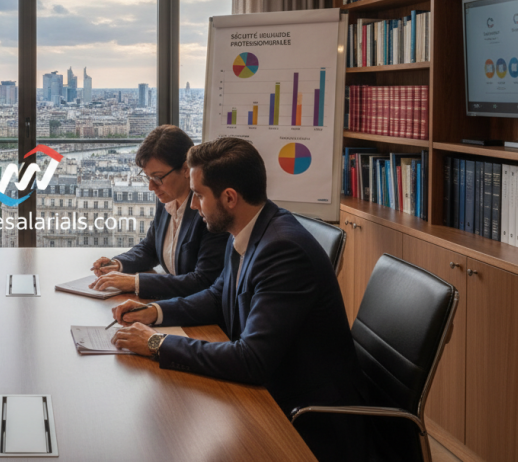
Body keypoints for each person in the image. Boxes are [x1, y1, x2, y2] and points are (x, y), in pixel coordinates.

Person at [110, 137, 366, 462]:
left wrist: (158, 344)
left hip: (307, 418)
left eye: (199, 196)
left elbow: (252, 360)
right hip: (269, 393)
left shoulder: (283, 250)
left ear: (229, 197)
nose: (192, 205)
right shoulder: (248, 231)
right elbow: (218, 297)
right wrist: (153, 312)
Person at [87, 125, 229, 300]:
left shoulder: (208, 210)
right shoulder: (167, 197)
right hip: (173, 302)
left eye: (157, 177)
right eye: (148, 177)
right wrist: (118, 264)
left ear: (186, 169)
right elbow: (151, 247)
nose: (151, 186)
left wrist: (135, 282)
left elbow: (203, 281)